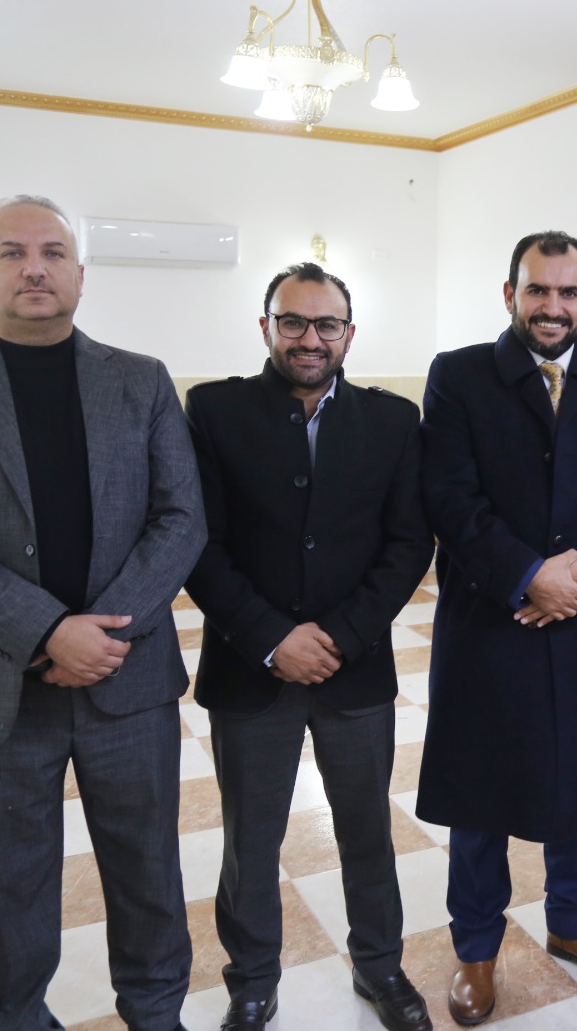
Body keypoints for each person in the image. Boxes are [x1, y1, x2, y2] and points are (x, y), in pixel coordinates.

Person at [0, 195, 202, 1031]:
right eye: (12, 253)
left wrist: (101, 635)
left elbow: (181, 518)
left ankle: (156, 1014)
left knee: (148, 874)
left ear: (80, 275)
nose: (34, 268)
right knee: (7, 888)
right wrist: (47, 632)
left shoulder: (141, 379)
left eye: (53, 252)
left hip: (127, 683)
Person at [416, 231, 577, 1026]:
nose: (552, 306)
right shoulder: (459, 375)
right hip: (490, 623)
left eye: (568, 292)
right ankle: (476, 949)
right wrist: (529, 574)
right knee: (480, 797)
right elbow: (449, 498)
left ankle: (574, 924)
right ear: (511, 295)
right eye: (538, 290)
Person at [184, 263, 435, 1031]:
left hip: (353, 672)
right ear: (266, 327)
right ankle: (252, 981)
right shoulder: (215, 411)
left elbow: (408, 543)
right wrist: (272, 639)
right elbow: (199, 543)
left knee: (367, 832)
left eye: (327, 324)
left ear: (349, 334)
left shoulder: (393, 420)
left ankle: (380, 966)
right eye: (292, 322)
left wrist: (341, 637)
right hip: (249, 669)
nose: (310, 338)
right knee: (250, 841)